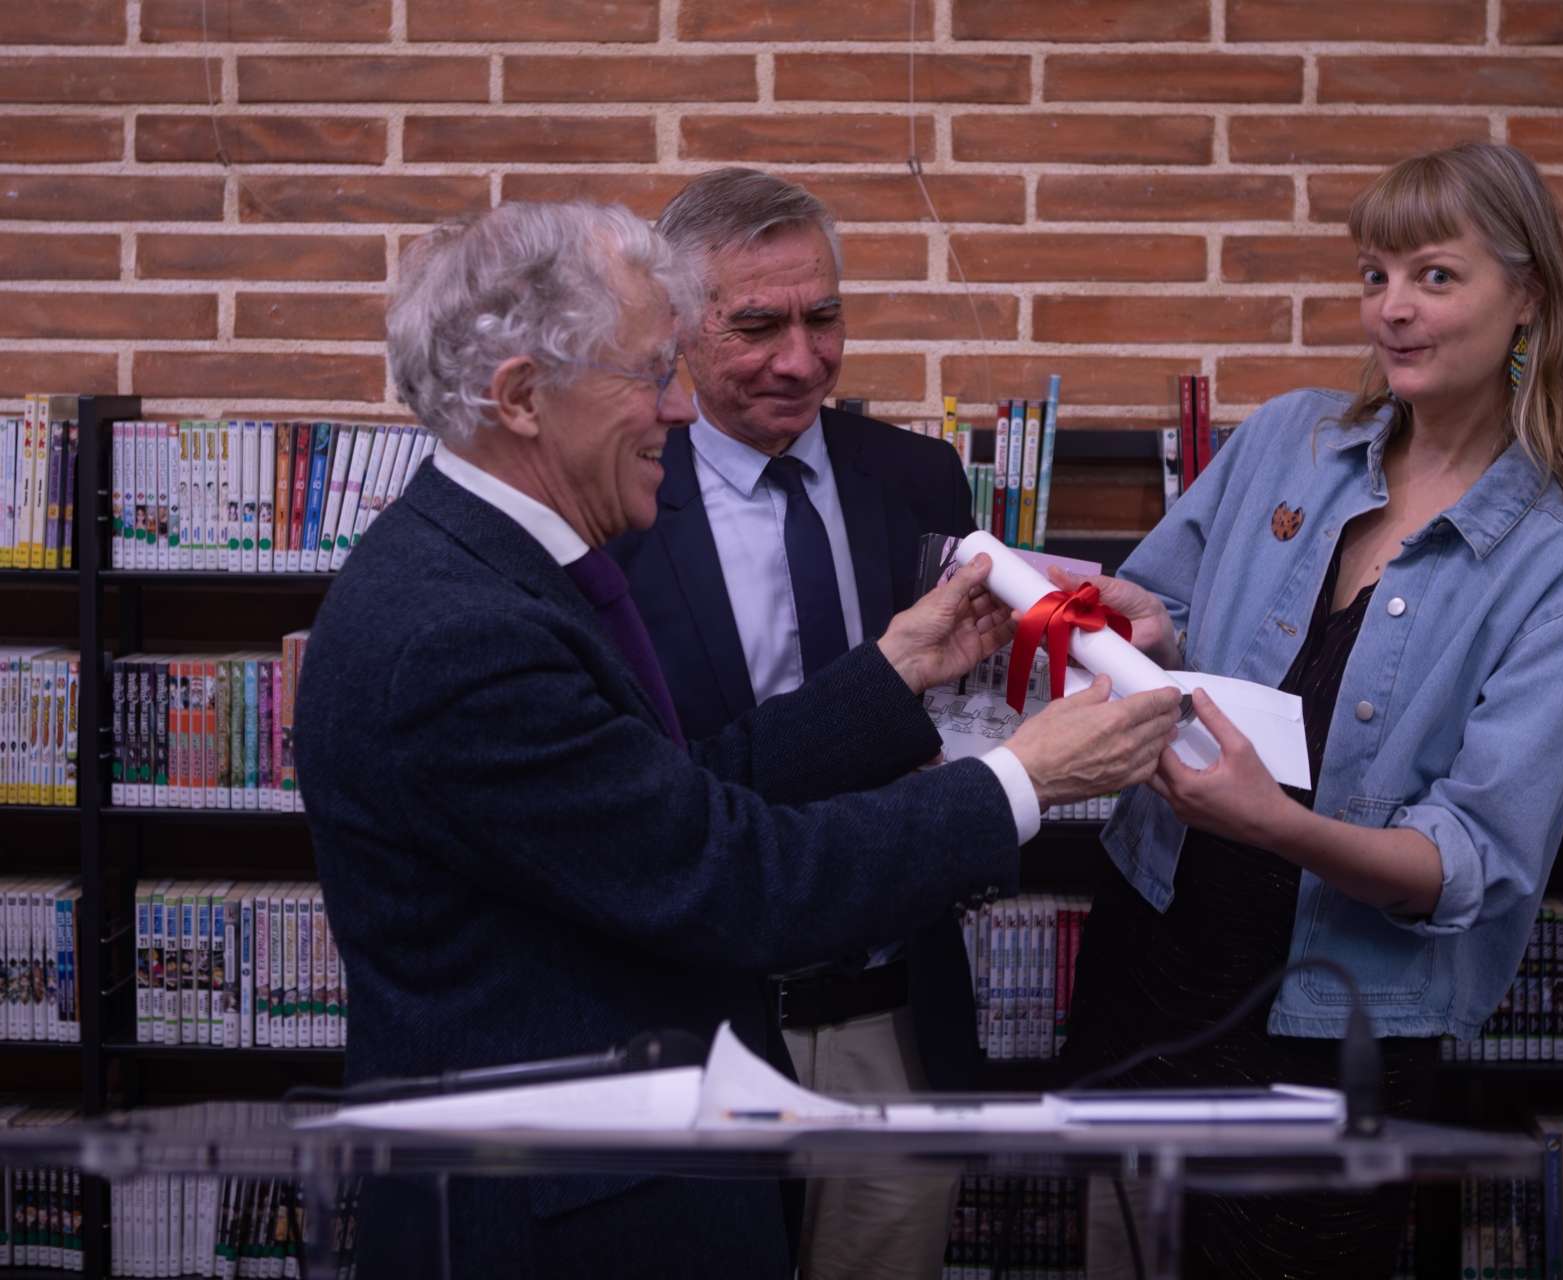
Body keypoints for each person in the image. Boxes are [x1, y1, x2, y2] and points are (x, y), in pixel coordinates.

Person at [293, 200, 1183, 1280]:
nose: (678, 406)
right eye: (649, 372)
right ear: (524, 397)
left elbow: (678, 799)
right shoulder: (465, 634)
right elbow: (734, 878)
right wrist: (1025, 778)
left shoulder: (479, 566)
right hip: (561, 1218)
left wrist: (892, 668)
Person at [1054, 142, 1563, 1279]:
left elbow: (1473, 859)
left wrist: (1277, 826)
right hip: (1152, 947)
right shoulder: (1289, 437)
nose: (1394, 310)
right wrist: (1147, 622)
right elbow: (1166, 599)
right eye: (1374, 275)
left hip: (1332, 1024)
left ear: (1530, 302)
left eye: (1435, 276)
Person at [604, 167, 981, 1279]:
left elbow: (954, 716)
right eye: (757, 324)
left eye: (824, 318)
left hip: (894, 1011)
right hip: (698, 1018)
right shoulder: (618, 502)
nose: (801, 358)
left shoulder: (918, 480)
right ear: (676, 330)